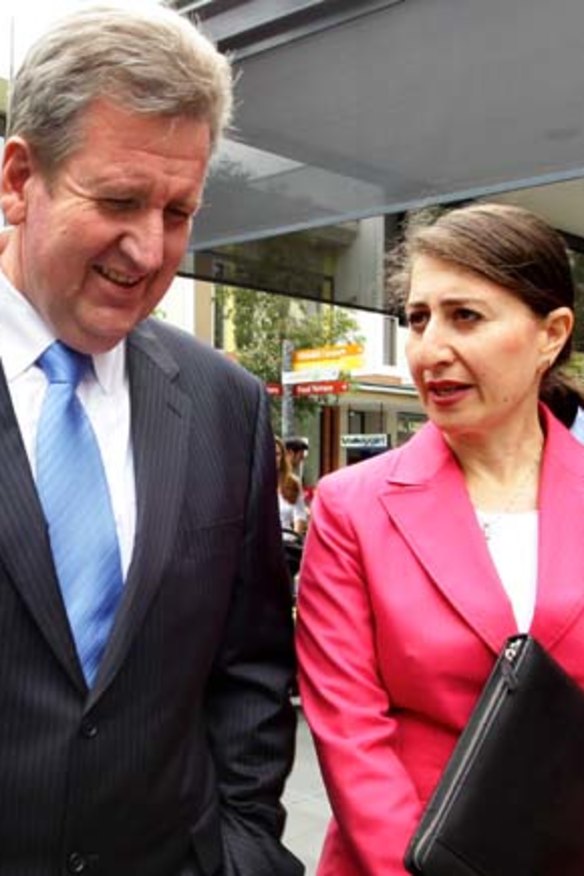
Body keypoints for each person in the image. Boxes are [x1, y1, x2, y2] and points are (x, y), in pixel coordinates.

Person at [0, 5, 302, 875]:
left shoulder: (225, 406)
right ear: (19, 179)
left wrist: (243, 850)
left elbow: (250, 670)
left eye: (179, 210)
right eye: (120, 200)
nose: (149, 248)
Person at [296, 202, 584, 876]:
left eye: (466, 316)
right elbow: (351, 734)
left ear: (551, 334)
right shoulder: (351, 506)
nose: (430, 350)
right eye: (418, 319)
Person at [275, 436, 308, 537]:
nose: (275, 458)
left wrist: (295, 538)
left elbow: (300, 516)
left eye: (277, 454)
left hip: (286, 541)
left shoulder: (293, 482)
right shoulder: (254, 483)